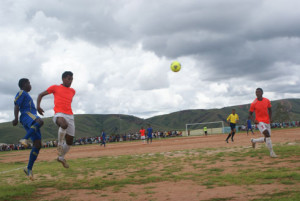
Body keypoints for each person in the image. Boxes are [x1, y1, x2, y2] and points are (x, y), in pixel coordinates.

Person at [37, 71, 76, 168]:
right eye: (68, 78)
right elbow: (40, 95)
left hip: (70, 115)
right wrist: (38, 106)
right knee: (63, 124)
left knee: (70, 141)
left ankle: (61, 157)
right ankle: (59, 145)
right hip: (59, 114)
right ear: (63, 79)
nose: (70, 81)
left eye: (71, 79)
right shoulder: (55, 87)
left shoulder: (73, 91)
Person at [12, 78, 44, 180]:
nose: (30, 85)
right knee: (40, 121)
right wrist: (16, 118)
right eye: (29, 83)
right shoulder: (22, 92)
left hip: (31, 117)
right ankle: (24, 139)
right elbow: (17, 105)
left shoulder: (27, 95)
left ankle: (29, 169)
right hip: (26, 115)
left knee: (38, 144)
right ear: (24, 84)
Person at [249, 88, 277, 158]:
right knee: (267, 134)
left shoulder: (267, 100)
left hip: (267, 121)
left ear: (262, 93)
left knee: (267, 138)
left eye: (258, 92)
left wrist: (270, 119)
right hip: (259, 122)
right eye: (256, 92)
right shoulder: (253, 103)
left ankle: (254, 140)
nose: (257, 94)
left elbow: (270, 110)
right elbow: (250, 114)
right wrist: (254, 120)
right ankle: (271, 152)